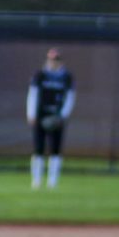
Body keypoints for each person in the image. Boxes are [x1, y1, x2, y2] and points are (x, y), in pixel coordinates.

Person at [26, 47, 75, 189]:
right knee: (38, 149)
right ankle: (36, 180)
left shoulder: (66, 76)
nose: (54, 62)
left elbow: (70, 97)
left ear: (60, 61)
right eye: (51, 60)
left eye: (56, 60)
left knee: (55, 150)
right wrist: (31, 114)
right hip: (41, 115)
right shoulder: (40, 75)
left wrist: (64, 115)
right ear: (47, 60)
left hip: (57, 116)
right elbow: (33, 94)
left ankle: (52, 182)